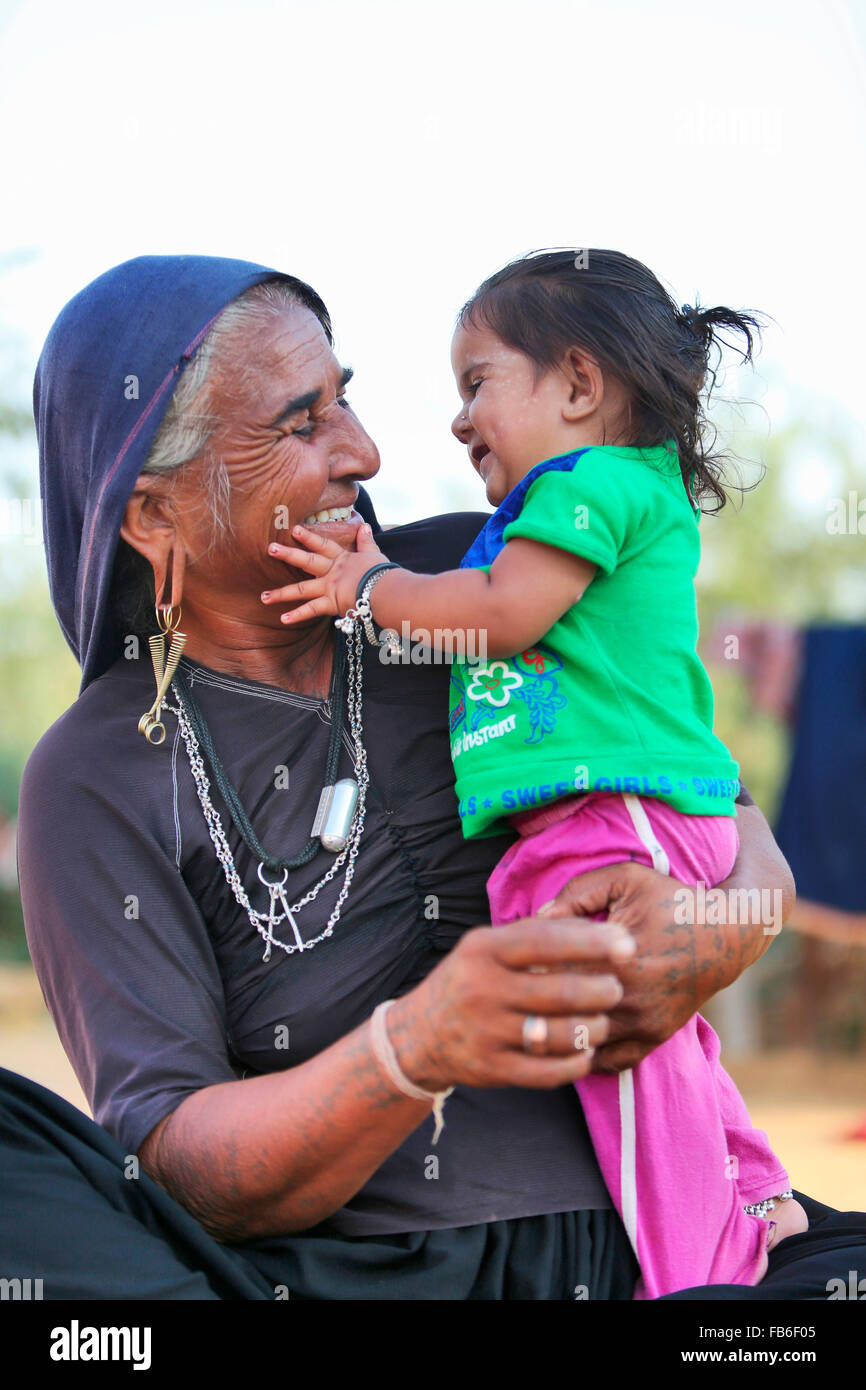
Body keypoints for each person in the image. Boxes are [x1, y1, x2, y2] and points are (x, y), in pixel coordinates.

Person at [3, 253, 855, 1301]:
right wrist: (414, 1045)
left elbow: (720, 815)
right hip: (347, 1279)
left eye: (346, 397)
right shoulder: (91, 776)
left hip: (672, 1247)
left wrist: (715, 929)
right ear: (151, 516)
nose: (363, 450)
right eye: (301, 422)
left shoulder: (473, 582)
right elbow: (178, 1158)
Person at [258, 247, 808, 1296]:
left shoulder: (588, 487)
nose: (459, 421)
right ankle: (755, 1198)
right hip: (586, 819)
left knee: (626, 1055)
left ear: (577, 384)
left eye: (476, 384)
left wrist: (371, 587)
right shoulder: (557, 506)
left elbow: (499, 617)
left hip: (617, 813)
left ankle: (699, 1274)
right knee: (664, 1040)